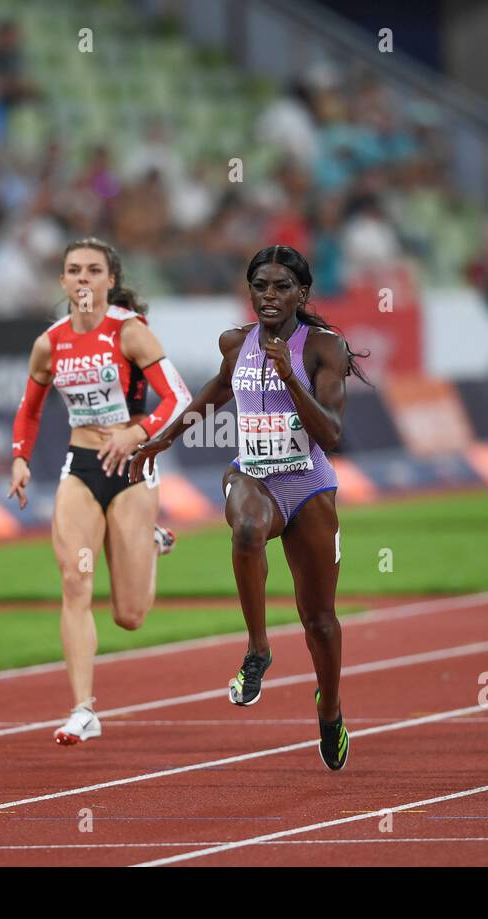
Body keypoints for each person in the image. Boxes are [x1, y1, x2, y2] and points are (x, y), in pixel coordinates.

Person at [131, 245, 369, 771]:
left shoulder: (324, 348)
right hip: (252, 476)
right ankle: (258, 650)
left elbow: (330, 433)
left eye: (281, 286)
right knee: (245, 532)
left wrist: (288, 377)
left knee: (321, 623)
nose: (269, 295)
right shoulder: (236, 343)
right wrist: (162, 440)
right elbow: (215, 391)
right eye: (260, 286)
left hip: (307, 484)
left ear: (302, 294)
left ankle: (329, 711)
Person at [8, 238, 191, 744]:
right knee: (75, 581)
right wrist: (20, 457)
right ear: (62, 281)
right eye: (73, 271)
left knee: (129, 616)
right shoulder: (50, 342)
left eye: (93, 271)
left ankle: (149, 542)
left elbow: (181, 398)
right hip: (81, 467)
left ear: (111, 281)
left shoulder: (130, 334)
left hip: (132, 467)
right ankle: (83, 710)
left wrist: (139, 430)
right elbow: (30, 407)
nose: (83, 279)